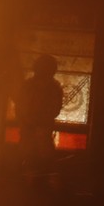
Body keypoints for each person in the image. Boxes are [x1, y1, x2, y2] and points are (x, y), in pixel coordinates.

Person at [15, 53, 64, 182]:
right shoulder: (51, 88)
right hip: (33, 132)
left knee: (40, 160)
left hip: (39, 132)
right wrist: (29, 123)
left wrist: (36, 123)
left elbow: (54, 109)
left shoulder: (51, 88)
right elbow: (20, 107)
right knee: (32, 160)